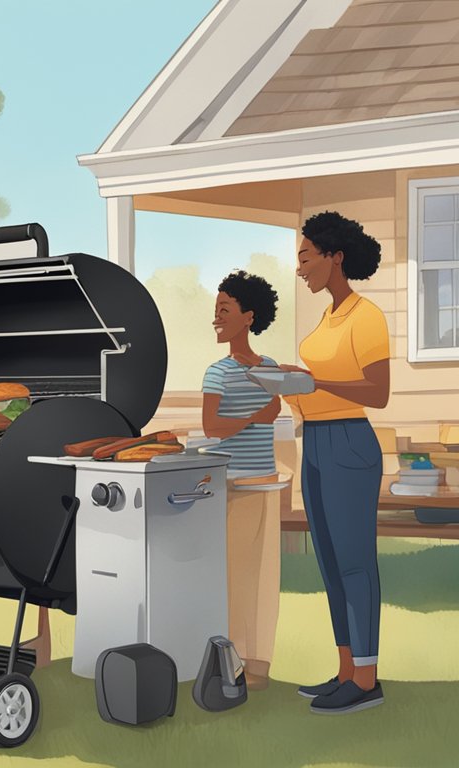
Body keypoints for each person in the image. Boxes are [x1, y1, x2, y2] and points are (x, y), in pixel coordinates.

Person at [282, 211, 390, 715]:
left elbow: (379, 392)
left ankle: (367, 679)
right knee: (328, 561)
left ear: (335, 257)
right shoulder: (328, 316)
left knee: (354, 561)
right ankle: (347, 669)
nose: (300, 268)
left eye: (305, 258)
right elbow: (316, 386)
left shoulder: (366, 316)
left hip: (349, 444)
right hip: (317, 445)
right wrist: (289, 386)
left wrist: (316, 384)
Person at [201, 270, 282, 690]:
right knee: (233, 579)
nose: (216, 318)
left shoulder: (269, 368)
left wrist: (260, 416)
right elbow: (211, 426)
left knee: (263, 579)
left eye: (224, 310)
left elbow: (277, 408)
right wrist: (254, 417)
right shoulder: (217, 372)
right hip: (231, 487)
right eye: (215, 310)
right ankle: (229, 664)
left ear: (249, 317)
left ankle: (258, 664)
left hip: (262, 484)